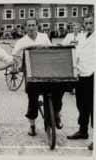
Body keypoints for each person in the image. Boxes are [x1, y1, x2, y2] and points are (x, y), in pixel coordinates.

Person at [12, 18, 64, 136]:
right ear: (25, 27)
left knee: (58, 90)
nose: (31, 28)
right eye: (28, 25)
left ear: (37, 26)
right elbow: (14, 55)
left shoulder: (44, 37)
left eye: (33, 25)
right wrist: (19, 64)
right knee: (32, 100)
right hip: (31, 74)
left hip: (46, 71)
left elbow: (51, 50)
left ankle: (56, 113)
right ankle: (32, 126)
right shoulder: (22, 41)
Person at [67, 15, 95, 151]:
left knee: (92, 107)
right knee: (80, 104)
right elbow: (77, 53)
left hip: (92, 75)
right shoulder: (83, 37)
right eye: (87, 23)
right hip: (80, 74)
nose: (89, 25)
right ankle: (83, 131)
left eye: (91, 23)